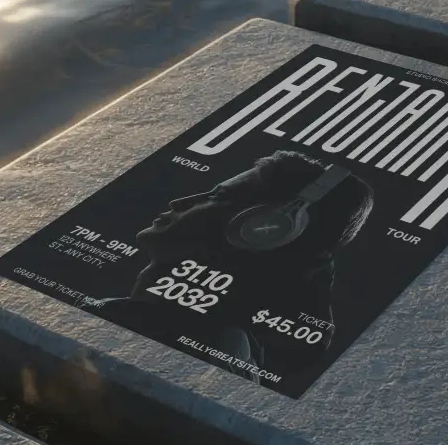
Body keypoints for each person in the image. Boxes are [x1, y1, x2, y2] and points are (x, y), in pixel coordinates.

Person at [83, 149, 373, 388]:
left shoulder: (124, 325)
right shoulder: (237, 346)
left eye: (217, 197)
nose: (180, 201)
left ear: (261, 230)